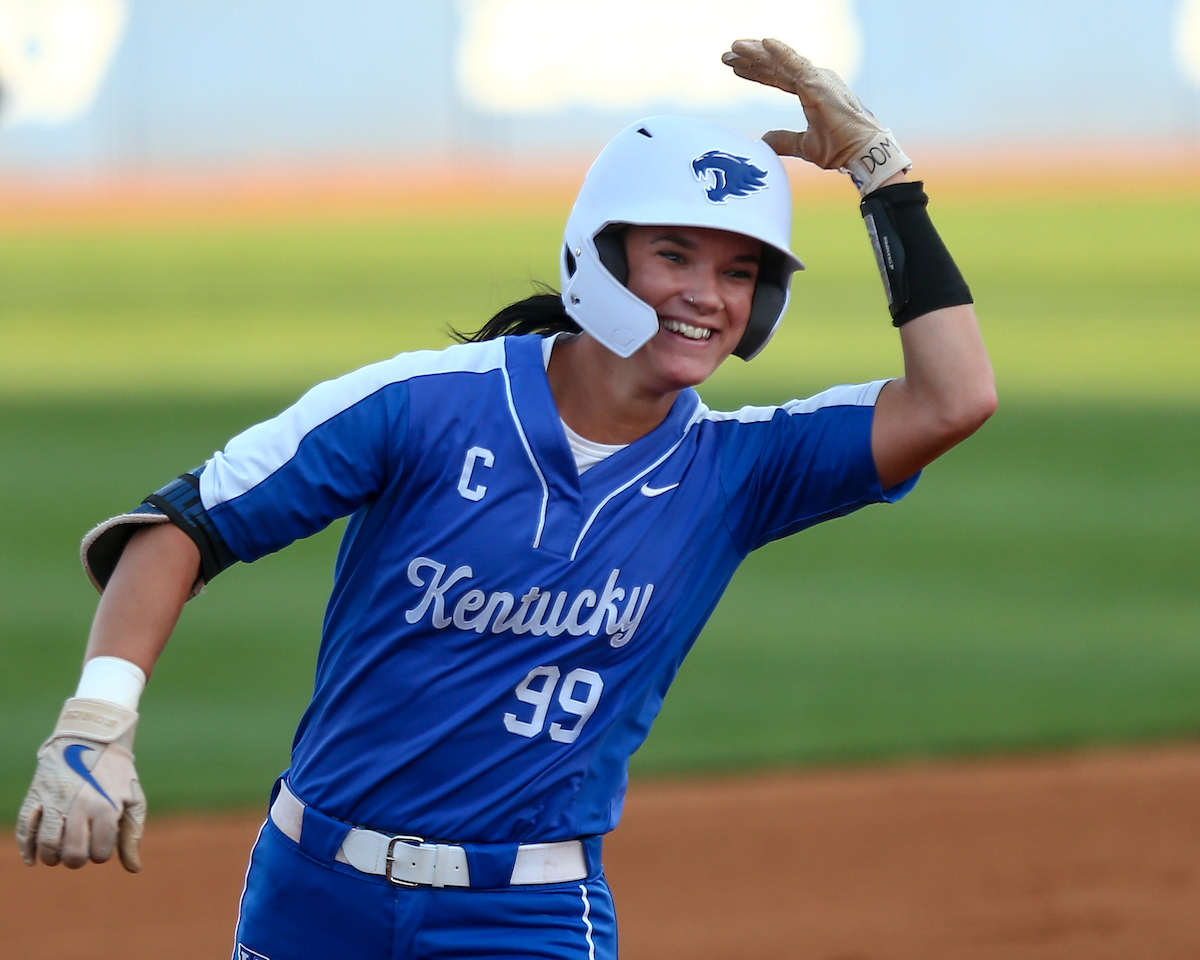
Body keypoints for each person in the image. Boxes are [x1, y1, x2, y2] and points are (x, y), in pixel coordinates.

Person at [16, 38, 995, 960]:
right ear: (603, 255)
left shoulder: (738, 471)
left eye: (739, 272)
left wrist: (882, 175)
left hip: (525, 913)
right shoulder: (422, 407)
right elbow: (186, 527)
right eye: (676, 256)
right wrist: (98, 720)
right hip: (312, 893)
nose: (708, 295)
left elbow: (955, 399)